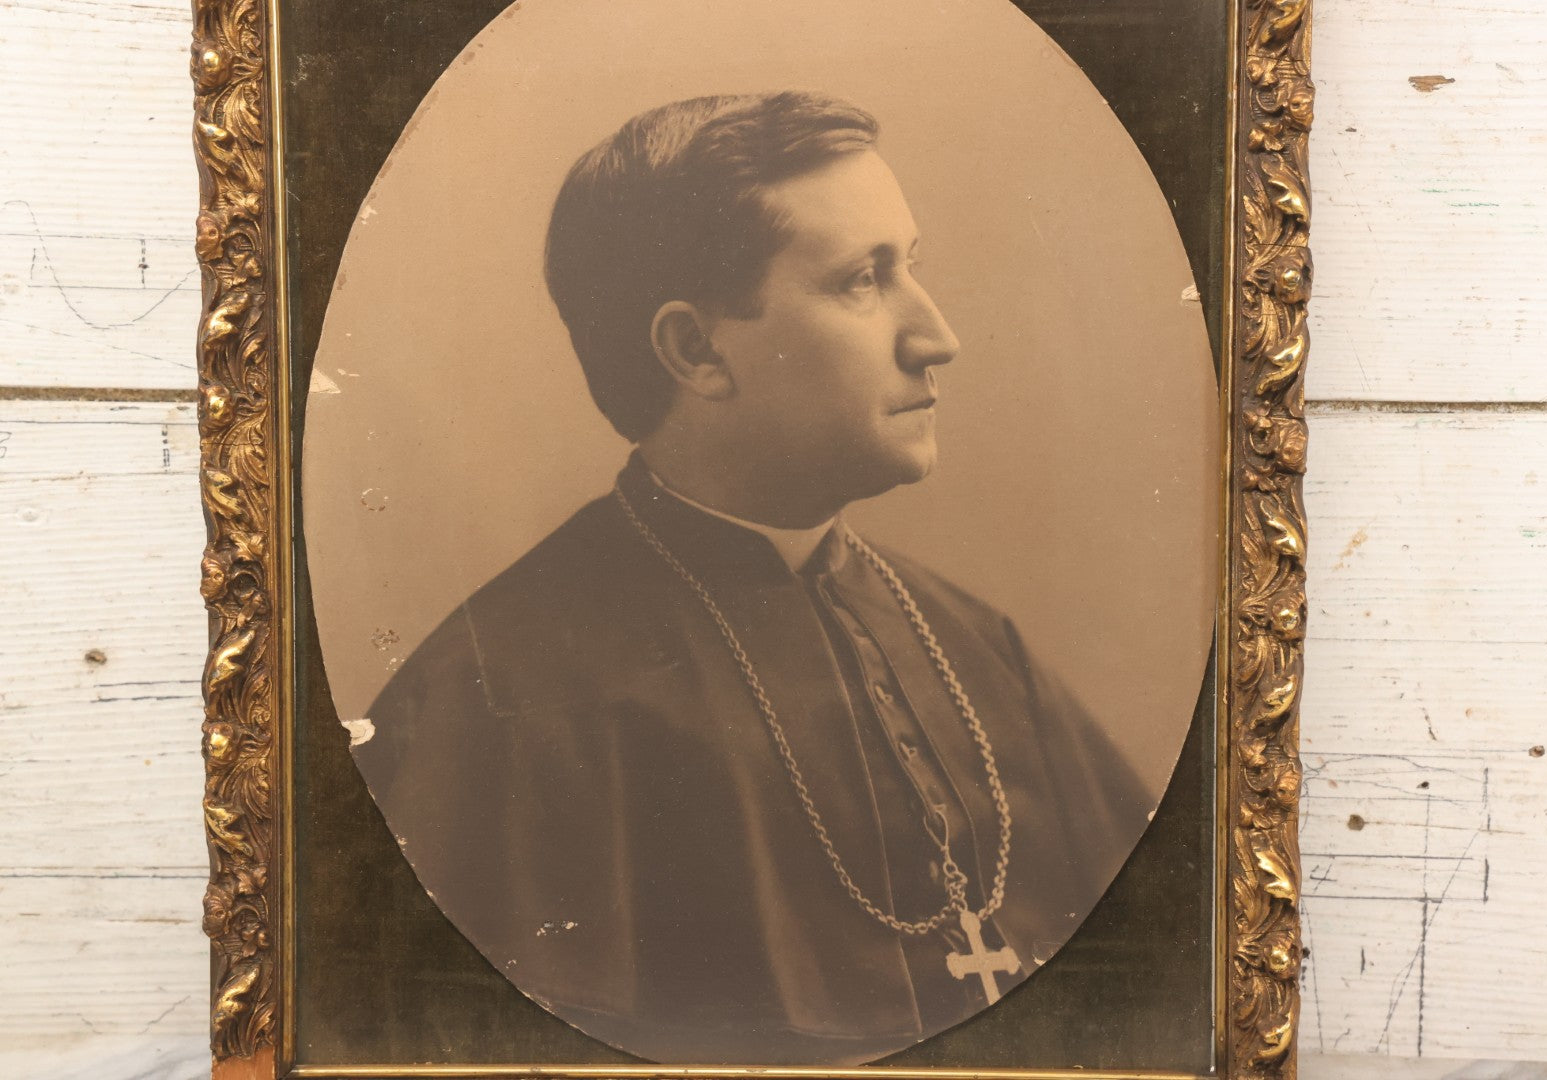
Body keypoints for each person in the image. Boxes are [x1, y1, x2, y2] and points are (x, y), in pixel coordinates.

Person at [352, 91, 1153, 1065]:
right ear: (694, 351)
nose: (935, 335)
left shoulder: (977, 647)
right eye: (863, 280)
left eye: (911, 265)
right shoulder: (496, 697)